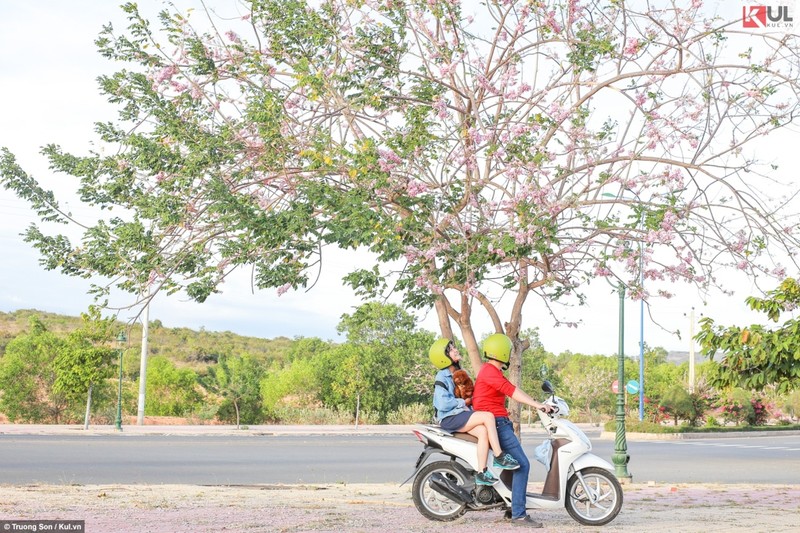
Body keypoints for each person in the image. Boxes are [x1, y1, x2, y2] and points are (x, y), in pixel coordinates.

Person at [472, 333, 554, 528]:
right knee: (522, 465)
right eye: (508, 351)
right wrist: (538, 405)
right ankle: (518, 514)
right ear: (502, 352)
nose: (509, 354)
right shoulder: (490, 371)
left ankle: (510, 506)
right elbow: (513, 391)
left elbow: (491, 397)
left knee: (512, 464)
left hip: (500, 420)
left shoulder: (490, 371)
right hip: (498, 424)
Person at [429, 338, 520, 486]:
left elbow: (472, 398)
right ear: (443, 357)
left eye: (454, 347)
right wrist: (463, 402)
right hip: (448, 418)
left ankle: (481, 473)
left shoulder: (460, 373)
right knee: (488, 417)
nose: (456, 350)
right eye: (451, 349)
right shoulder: (442, 376)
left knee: (483, 431)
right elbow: (442, 404)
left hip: (459, 415)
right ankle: (499, 456)